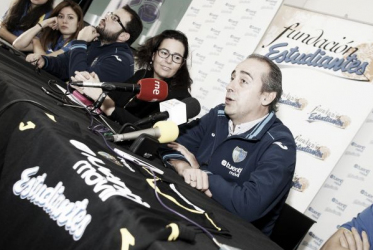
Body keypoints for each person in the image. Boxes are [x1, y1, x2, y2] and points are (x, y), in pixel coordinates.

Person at [159, 54, 296, 236]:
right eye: (232, 78)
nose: (230, 86)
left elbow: (248, 205)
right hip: (192, 211)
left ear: (266, 97)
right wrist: (184, 167)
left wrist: (202, 174)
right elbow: (170, 144)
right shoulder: (219, 115)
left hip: (233, 236)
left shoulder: (279, 144)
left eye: (243, 81)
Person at [71, 29, 192, 125]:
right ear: (154, 55)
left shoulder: (183, 100)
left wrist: (104, 101)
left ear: (181, 64)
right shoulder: (142, 75)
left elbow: (153, 133)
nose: (168, 61)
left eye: (176, 57)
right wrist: (94, 86)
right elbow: (112, 99)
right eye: (164, 53)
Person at [25, 5, 143, 82]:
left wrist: (80, 42)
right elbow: (63, 65)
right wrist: (44, 61)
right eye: (110, 14)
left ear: (123, 36)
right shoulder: (97, 43)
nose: (106, 17)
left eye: (115, 18)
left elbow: (81, 83)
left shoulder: (121, 61)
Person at [13, 0, 83, 56]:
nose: (64, 21)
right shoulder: (52, 39)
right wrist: (43, 24)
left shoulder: (75, 44)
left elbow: (44, 61)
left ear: (78, 23)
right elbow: (17, 45)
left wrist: (36, 41)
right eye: (61, 16)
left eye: (70, 17)